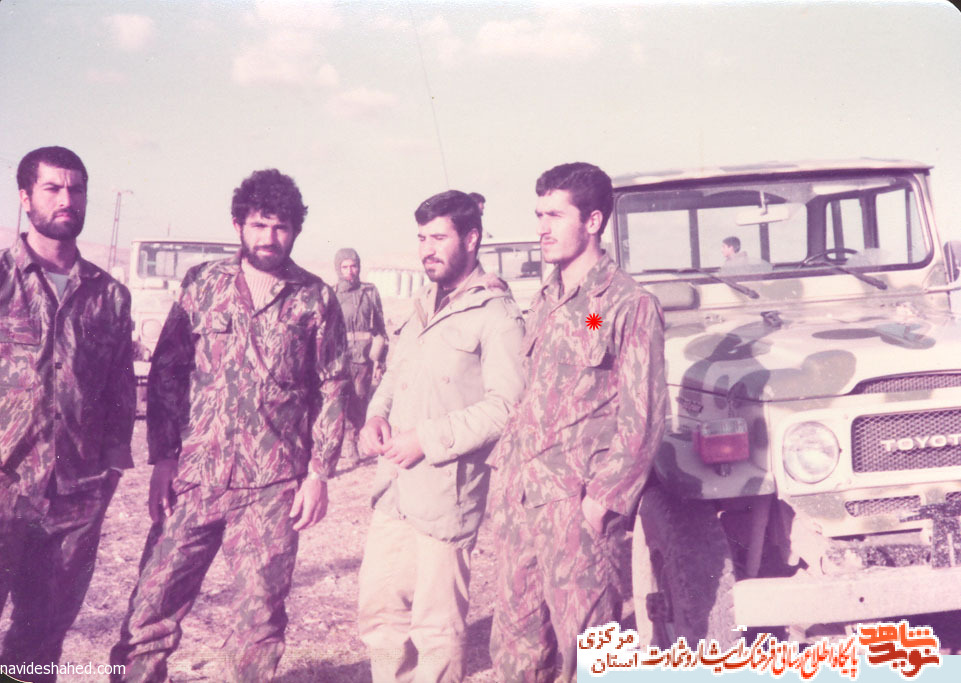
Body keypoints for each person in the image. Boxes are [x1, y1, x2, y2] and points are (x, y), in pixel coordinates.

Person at [110, 169, 349, 682]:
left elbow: (332, 385)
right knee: (151, 605)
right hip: (196, 476)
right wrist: (164, 458)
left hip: (273, 485)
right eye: (259, 224)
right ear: (238, 224)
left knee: (259, 620)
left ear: (296, 230)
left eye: (281, 226)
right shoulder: (203, 284)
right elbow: (168, 371)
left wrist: (319, 473)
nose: (269, 238)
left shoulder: (316, 298)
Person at [488, 162, 667, 681]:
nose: (541, 228)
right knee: (518, 648)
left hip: (575, 506)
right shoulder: (549, 299)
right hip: (523, 496)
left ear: (592, 221)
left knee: (592, 656)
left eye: (554, 215)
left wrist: (600, 503)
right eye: (538, 214)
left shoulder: (627, 305)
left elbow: (644, 417)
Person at [357, 190, 525, 683]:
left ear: (471, 239)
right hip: (394, 490)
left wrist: (425, 439)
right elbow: (394, 373)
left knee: (435, 631)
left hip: (444, 497)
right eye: (421, 239)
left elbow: (507, 407)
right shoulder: (423, 306)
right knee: (381, 617)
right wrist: (375, 415)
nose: (427, 250)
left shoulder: (496, 315)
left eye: (438, 238)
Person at [0, 146, 135, 681]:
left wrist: (111, 469)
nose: (66, 199)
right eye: (52, 188)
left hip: (73, 497)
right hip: (4, 485)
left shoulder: (110, 295)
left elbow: (120, 391)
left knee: (40, 639)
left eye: (76, 189)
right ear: (25, 197)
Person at [333, 247, 388, 468]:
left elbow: (380, 328)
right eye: (345, 267)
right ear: (338, 269)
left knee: (359, 400)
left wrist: (380, 360)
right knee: (339, 401)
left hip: (364, 358)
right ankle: (341, 442)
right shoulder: (332, 294)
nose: (350, 271)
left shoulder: (369, 293)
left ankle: (353, 441)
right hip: (339, 358)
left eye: (353, 266)